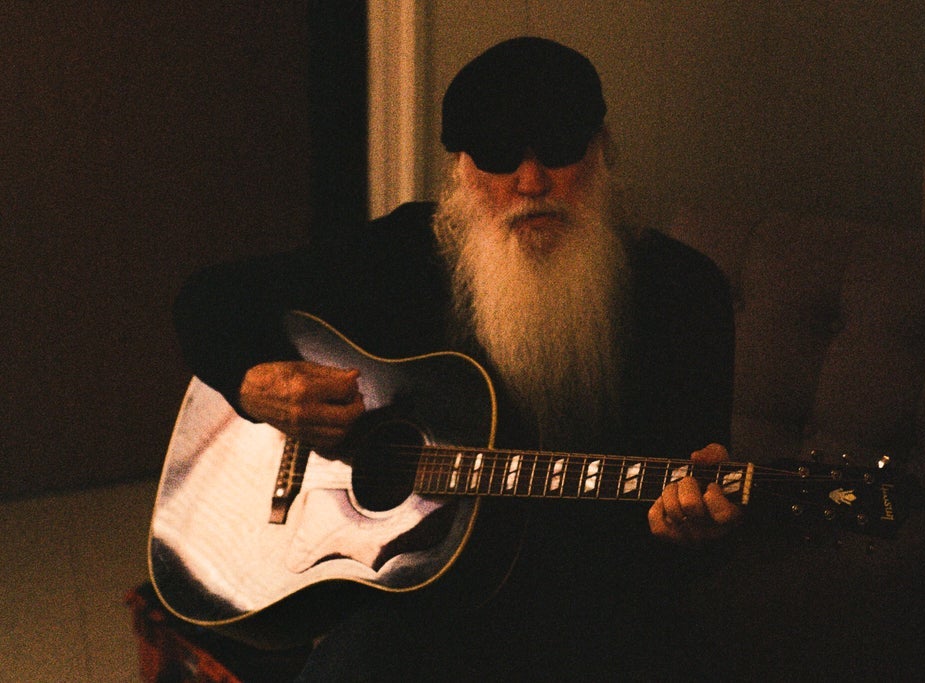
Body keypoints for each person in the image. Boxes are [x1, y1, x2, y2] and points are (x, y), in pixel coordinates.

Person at [174, 36, 738, 680]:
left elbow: (701, 507)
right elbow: (209, 298)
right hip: (421, 602)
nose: (531, 182)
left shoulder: (685, 292)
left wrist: (697, 524)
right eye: (499, 156)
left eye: (559, 149)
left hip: (595, 606)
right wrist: (255, 383)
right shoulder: (407, 255)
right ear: (463, 171)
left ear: (603, 151)